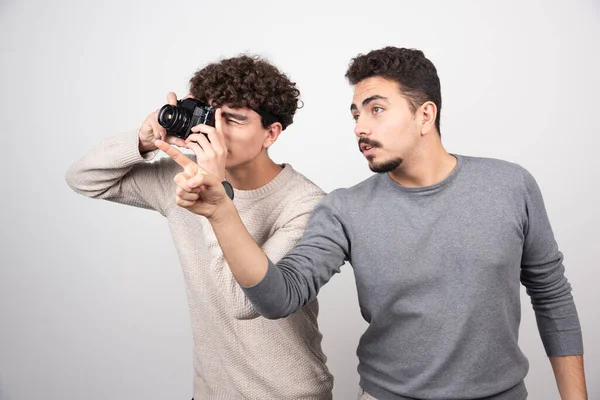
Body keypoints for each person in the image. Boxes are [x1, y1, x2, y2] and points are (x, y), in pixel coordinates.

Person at [156, 47, 587, 400]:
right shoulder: (344, 209)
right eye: (355, 114)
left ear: (425, 115)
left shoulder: (510, 185)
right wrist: (221, 212)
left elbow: (552, 296)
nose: (360, 126)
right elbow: (276, 298)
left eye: (376, 109)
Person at [65, 54, 333, 400]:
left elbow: (243, 304)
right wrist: (143, 140)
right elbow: (83, 179)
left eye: (233, 120)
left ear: (271, 133)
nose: (214, 132)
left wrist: (216, 195)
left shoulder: (307, 204)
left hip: (285, 393)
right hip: (210, 391)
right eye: (208, 116)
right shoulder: (179, 176)